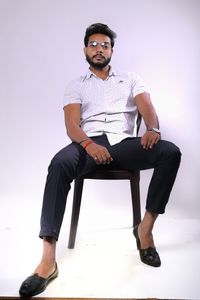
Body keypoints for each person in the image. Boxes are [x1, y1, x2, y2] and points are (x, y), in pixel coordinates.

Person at [19, 23, 181, 297]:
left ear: (111, 51)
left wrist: (152, 129)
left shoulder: (130, 79)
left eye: (104, 45)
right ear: (85, 50)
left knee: (170, 152)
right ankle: (47, 260)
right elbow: (72, 125)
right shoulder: (76, 85)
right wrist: (88, 144)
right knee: (59, 163)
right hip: (88, 143)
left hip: (126, 144)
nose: (99, 49)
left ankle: (145, 231)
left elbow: (147, 108)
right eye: (93, 44)